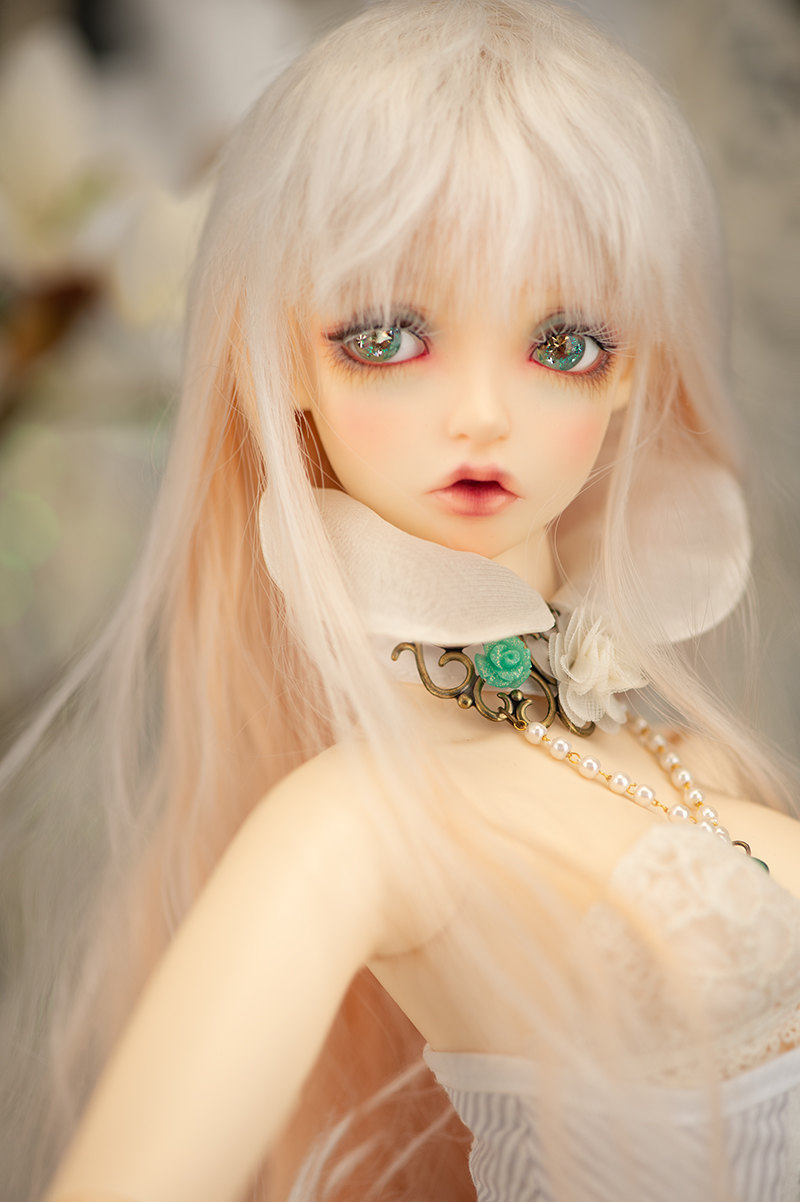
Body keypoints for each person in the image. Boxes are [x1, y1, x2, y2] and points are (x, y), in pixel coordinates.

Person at [4, 1, 800, 1199]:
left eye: (563, 342)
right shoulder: (354, 828)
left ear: (627, 368)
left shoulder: (695, 761)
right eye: (385, 336)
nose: (478, 414)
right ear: (288, 360)